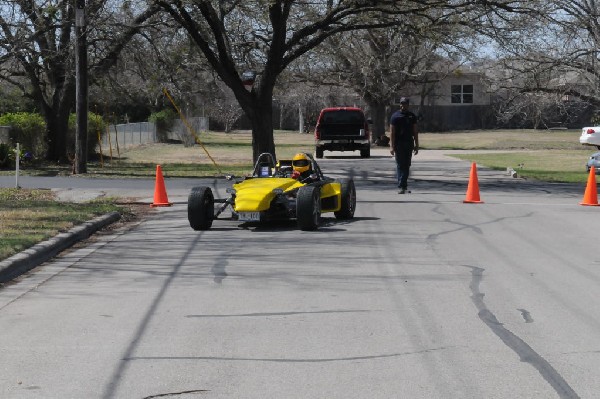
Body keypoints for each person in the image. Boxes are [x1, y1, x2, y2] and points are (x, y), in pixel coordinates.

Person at [389, 97, 419, 194]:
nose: (403, 105)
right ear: (400, 104)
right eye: (401, 103)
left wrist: (417, 145)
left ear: (408, 105)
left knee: (407, 164)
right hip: (399, 143)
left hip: (409, 143)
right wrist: (391, 146)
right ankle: (402, 185)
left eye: (405, 104)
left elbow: (415, 131)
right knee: (400, 164)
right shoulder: (395, 116)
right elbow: (392, 133)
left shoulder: (412, 116)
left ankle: (403, 185)